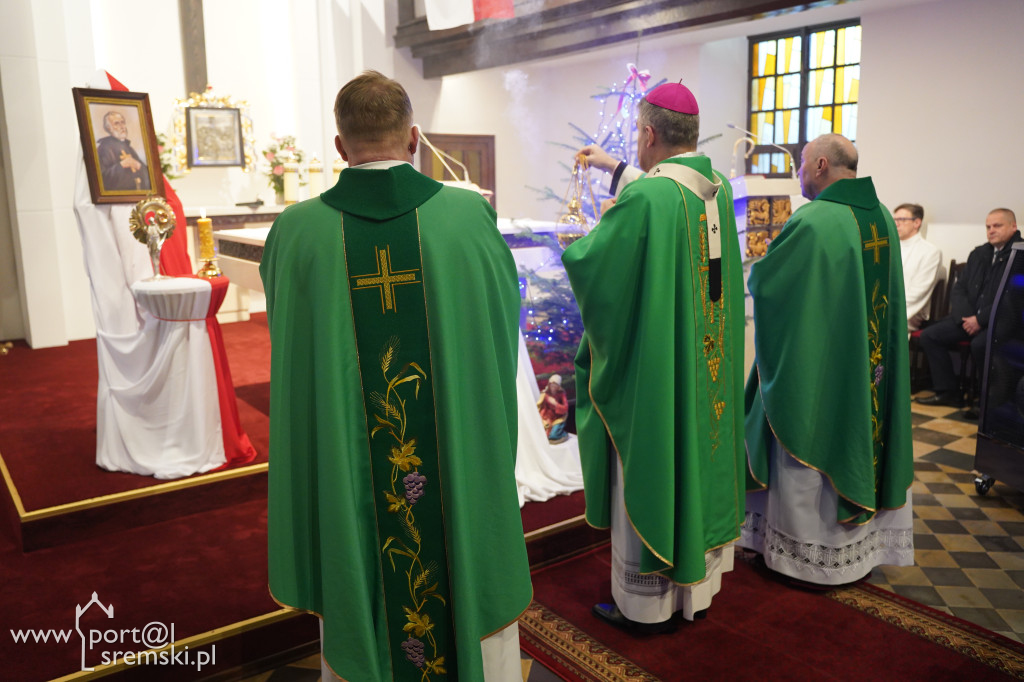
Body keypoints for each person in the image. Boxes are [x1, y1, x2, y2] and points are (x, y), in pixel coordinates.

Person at [260, 71, 531, 681]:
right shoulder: (467, 216)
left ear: (339, 146)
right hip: (454, 474)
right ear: (413, 138)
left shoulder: (297, 233)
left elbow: (295, 367)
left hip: (348, 483)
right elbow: (498, 335)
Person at [562, 81, 745, 632]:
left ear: (646, 133)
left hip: (659, 373)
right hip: (705, 365)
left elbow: (596, 267)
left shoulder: (647, 199)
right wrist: (617, 171)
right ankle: (697, 587)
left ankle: (644, 604)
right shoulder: (711, 187)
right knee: (699, 455)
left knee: (655, 458)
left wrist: (583, 235)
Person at [741, 133, 914, 587]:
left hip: (822, 367)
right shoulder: (880, 217)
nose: (799, 172)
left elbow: (768, 284)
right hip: (868, 367)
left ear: (819, 165)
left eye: (800, 163)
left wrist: (756, 275)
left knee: (811, 425)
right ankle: (857, 556)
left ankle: (806, 563)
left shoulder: (815, 220)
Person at [916, 208, 1022, 407]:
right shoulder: (980, 253)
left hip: (1002, 321)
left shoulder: (1019, 256)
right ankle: (947, 391)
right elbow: (960, 288)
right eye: (988, 227)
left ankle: (990, 402)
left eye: (997, 225)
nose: (991, 230)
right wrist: (966, 318)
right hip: (969, 319)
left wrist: (980, 320)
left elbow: (1011, 298)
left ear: (1013, 226)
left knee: (981, 345)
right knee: (930, 335)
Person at [893, 203, 942, 333]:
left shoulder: (930, 252)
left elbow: (918, 292)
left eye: (901, 220)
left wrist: (890, 308)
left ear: (917, 223)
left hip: (908, 312)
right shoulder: (888, 246)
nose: (896, 224)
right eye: (894, 220)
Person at [96, 111, 150, 191]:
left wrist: (140, 166)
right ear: (108, 128)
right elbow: (102, 179)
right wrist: (122, 165)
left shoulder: (128, 147)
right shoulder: (104, 148)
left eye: (123, 122)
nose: (122, 127)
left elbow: (148, 175)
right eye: (117, 123)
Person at [537, 373, 569, 443]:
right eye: (552, 384)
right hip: (547, 417)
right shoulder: (545, 394)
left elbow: (565, 408)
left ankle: (563, 434)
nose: (553, 386)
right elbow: (542, 407)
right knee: (541, 433)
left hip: (558, 418)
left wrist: (555, 404)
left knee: (553, 435)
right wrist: (542, 416)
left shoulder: (561, 394)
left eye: (555, 385)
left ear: (558, 386)